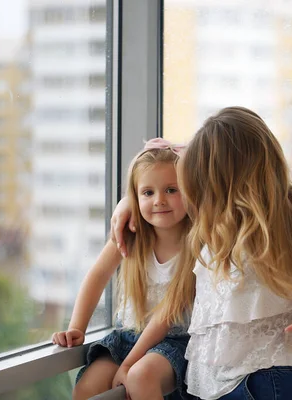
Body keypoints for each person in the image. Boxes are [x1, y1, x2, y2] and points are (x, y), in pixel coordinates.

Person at [110, 106, 292, 400]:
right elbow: (161, 165)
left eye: (203, 185)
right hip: (200, 389)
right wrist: (128, 203)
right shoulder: (211, 225)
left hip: (261, 387)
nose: (197, 198)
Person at [52, 138, 196, 400]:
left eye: (172, 190)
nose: (159, 200)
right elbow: (97, 276)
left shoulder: (196, 245)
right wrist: (77, 328)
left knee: (142, 378)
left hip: (174, 341)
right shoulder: (131, 236)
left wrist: (129, 363)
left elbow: (167, 314)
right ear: (134, 197)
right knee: (85, 390)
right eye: (148, 193)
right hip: (126, 336)